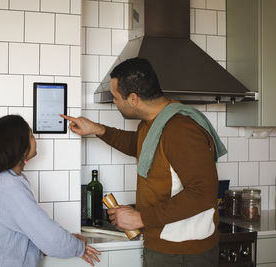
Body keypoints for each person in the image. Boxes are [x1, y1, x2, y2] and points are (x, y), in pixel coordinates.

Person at [61, 57, 226, 267]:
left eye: (115, 97)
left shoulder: (181, 130)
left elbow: (204, 192)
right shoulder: (153, 124)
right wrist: (97, 129)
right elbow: (138, 145)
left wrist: (141, 218)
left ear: (133, 98)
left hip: (183, 252)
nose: (114, 102)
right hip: (164, 245)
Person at [0, 115, 100, 267]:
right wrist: (78, 248)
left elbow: (28, 231)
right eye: (31, 135)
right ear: (18, 147)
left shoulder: (0, 181)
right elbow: (50, 237)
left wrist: (68, 239)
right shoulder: (9, 186)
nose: (35, 139)